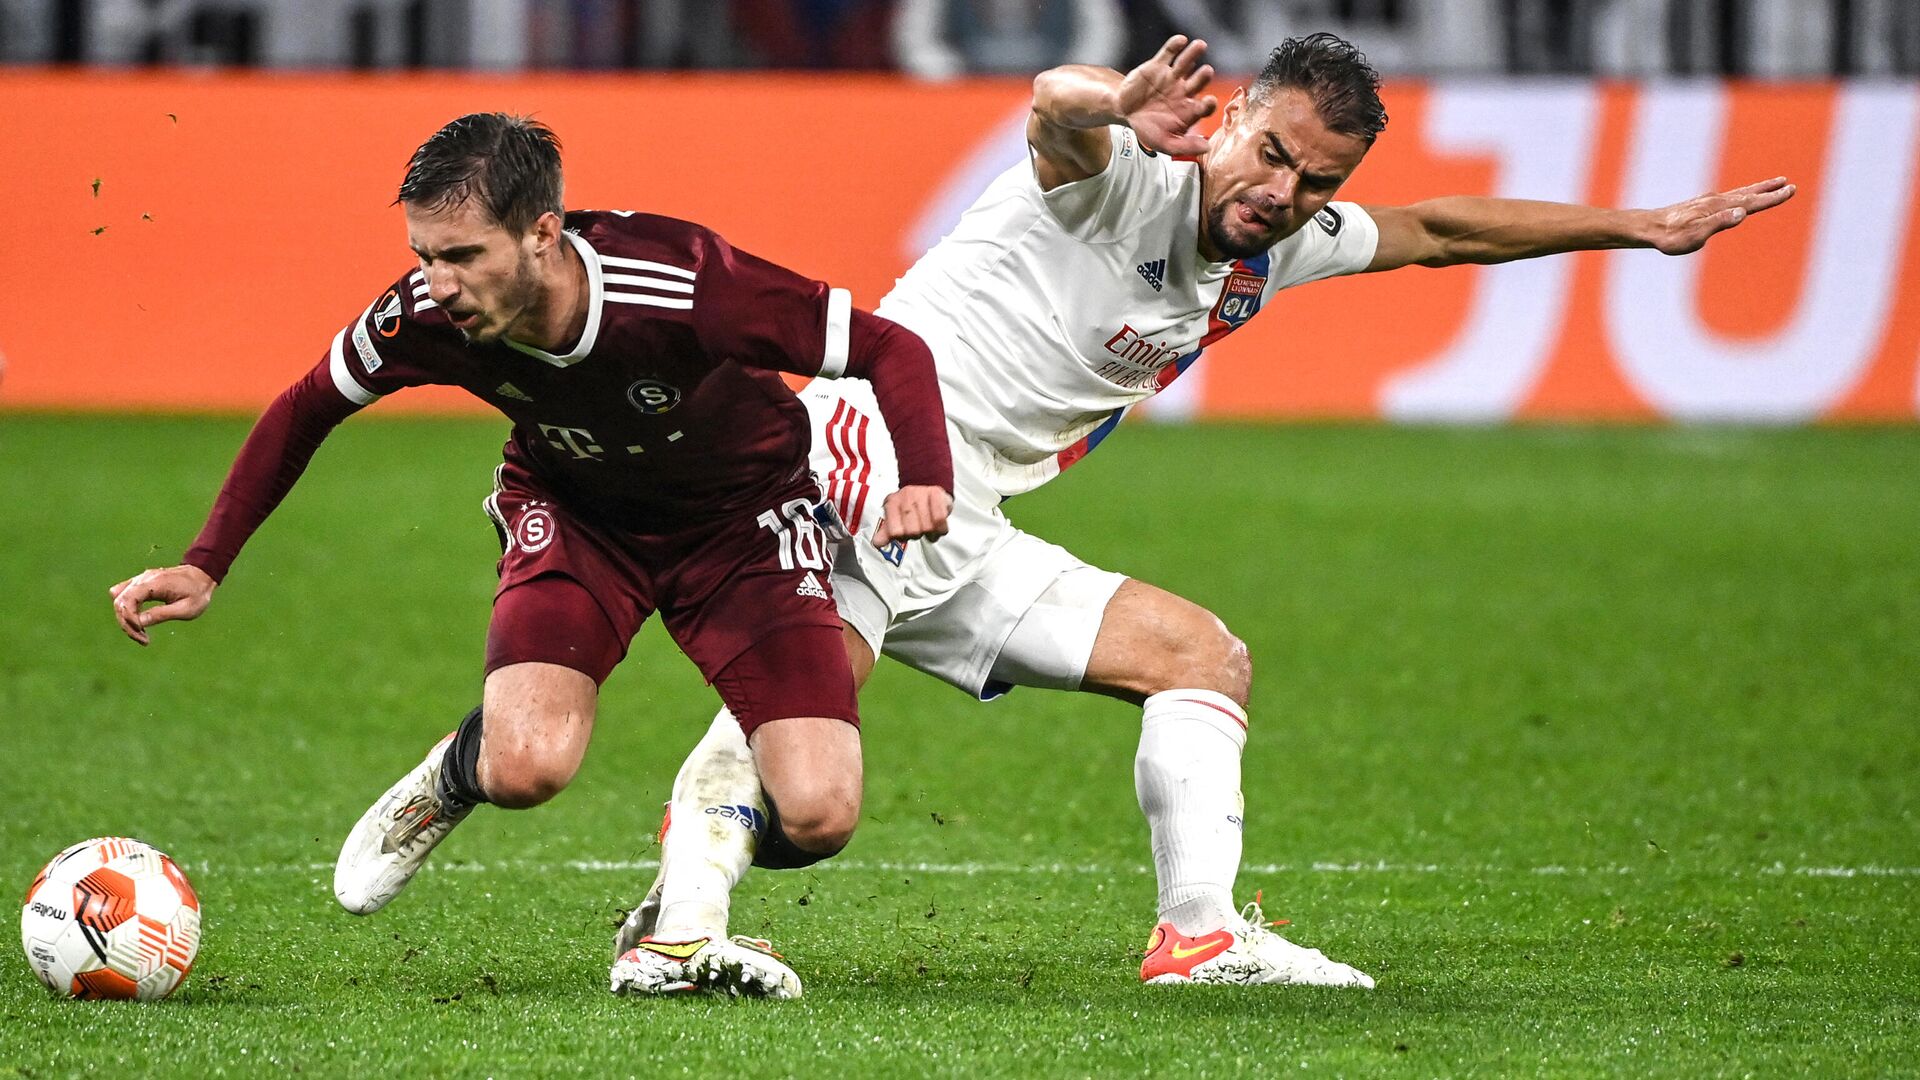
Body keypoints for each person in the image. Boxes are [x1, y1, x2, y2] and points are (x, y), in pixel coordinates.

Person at [621, 31, 1796, 994]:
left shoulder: (1274, 249)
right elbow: (1052, 109)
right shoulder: (1117, 177)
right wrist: (1115, 99)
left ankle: (1198, 936)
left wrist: (1640, 227)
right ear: (1230, 115)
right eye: (1271, 153)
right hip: (878, 442)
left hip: (976, 513)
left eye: (1316, 181)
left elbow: (1441, 231)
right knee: (810, 700)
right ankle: (679, 934)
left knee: (1197, 659)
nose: (1283, 193)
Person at [107, 112, 956, 1000]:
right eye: (424, 254)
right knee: (528, 768)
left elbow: (889, 346)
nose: (437, 283)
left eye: (463, 255)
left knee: (821, 814)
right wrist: (208, 561)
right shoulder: (423, 315)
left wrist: (924, 478)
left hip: (744, 527)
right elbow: (307, 403)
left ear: (543, 233)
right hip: (577, 515)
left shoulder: (684, 282)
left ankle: (689, 870)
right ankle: (456, 771)